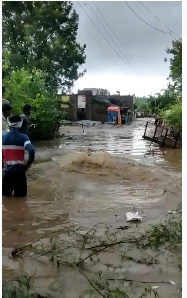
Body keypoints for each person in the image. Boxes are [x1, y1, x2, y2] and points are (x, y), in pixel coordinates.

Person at [2, 115, 35, 197]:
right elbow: (31, 151)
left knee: (5, 200)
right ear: (20, 124)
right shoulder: (24, 138)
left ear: (9, 124)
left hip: (7, 173)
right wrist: (28, 164)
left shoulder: (2, 137)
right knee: (21, 200)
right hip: (19, 173)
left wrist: (3, 163)